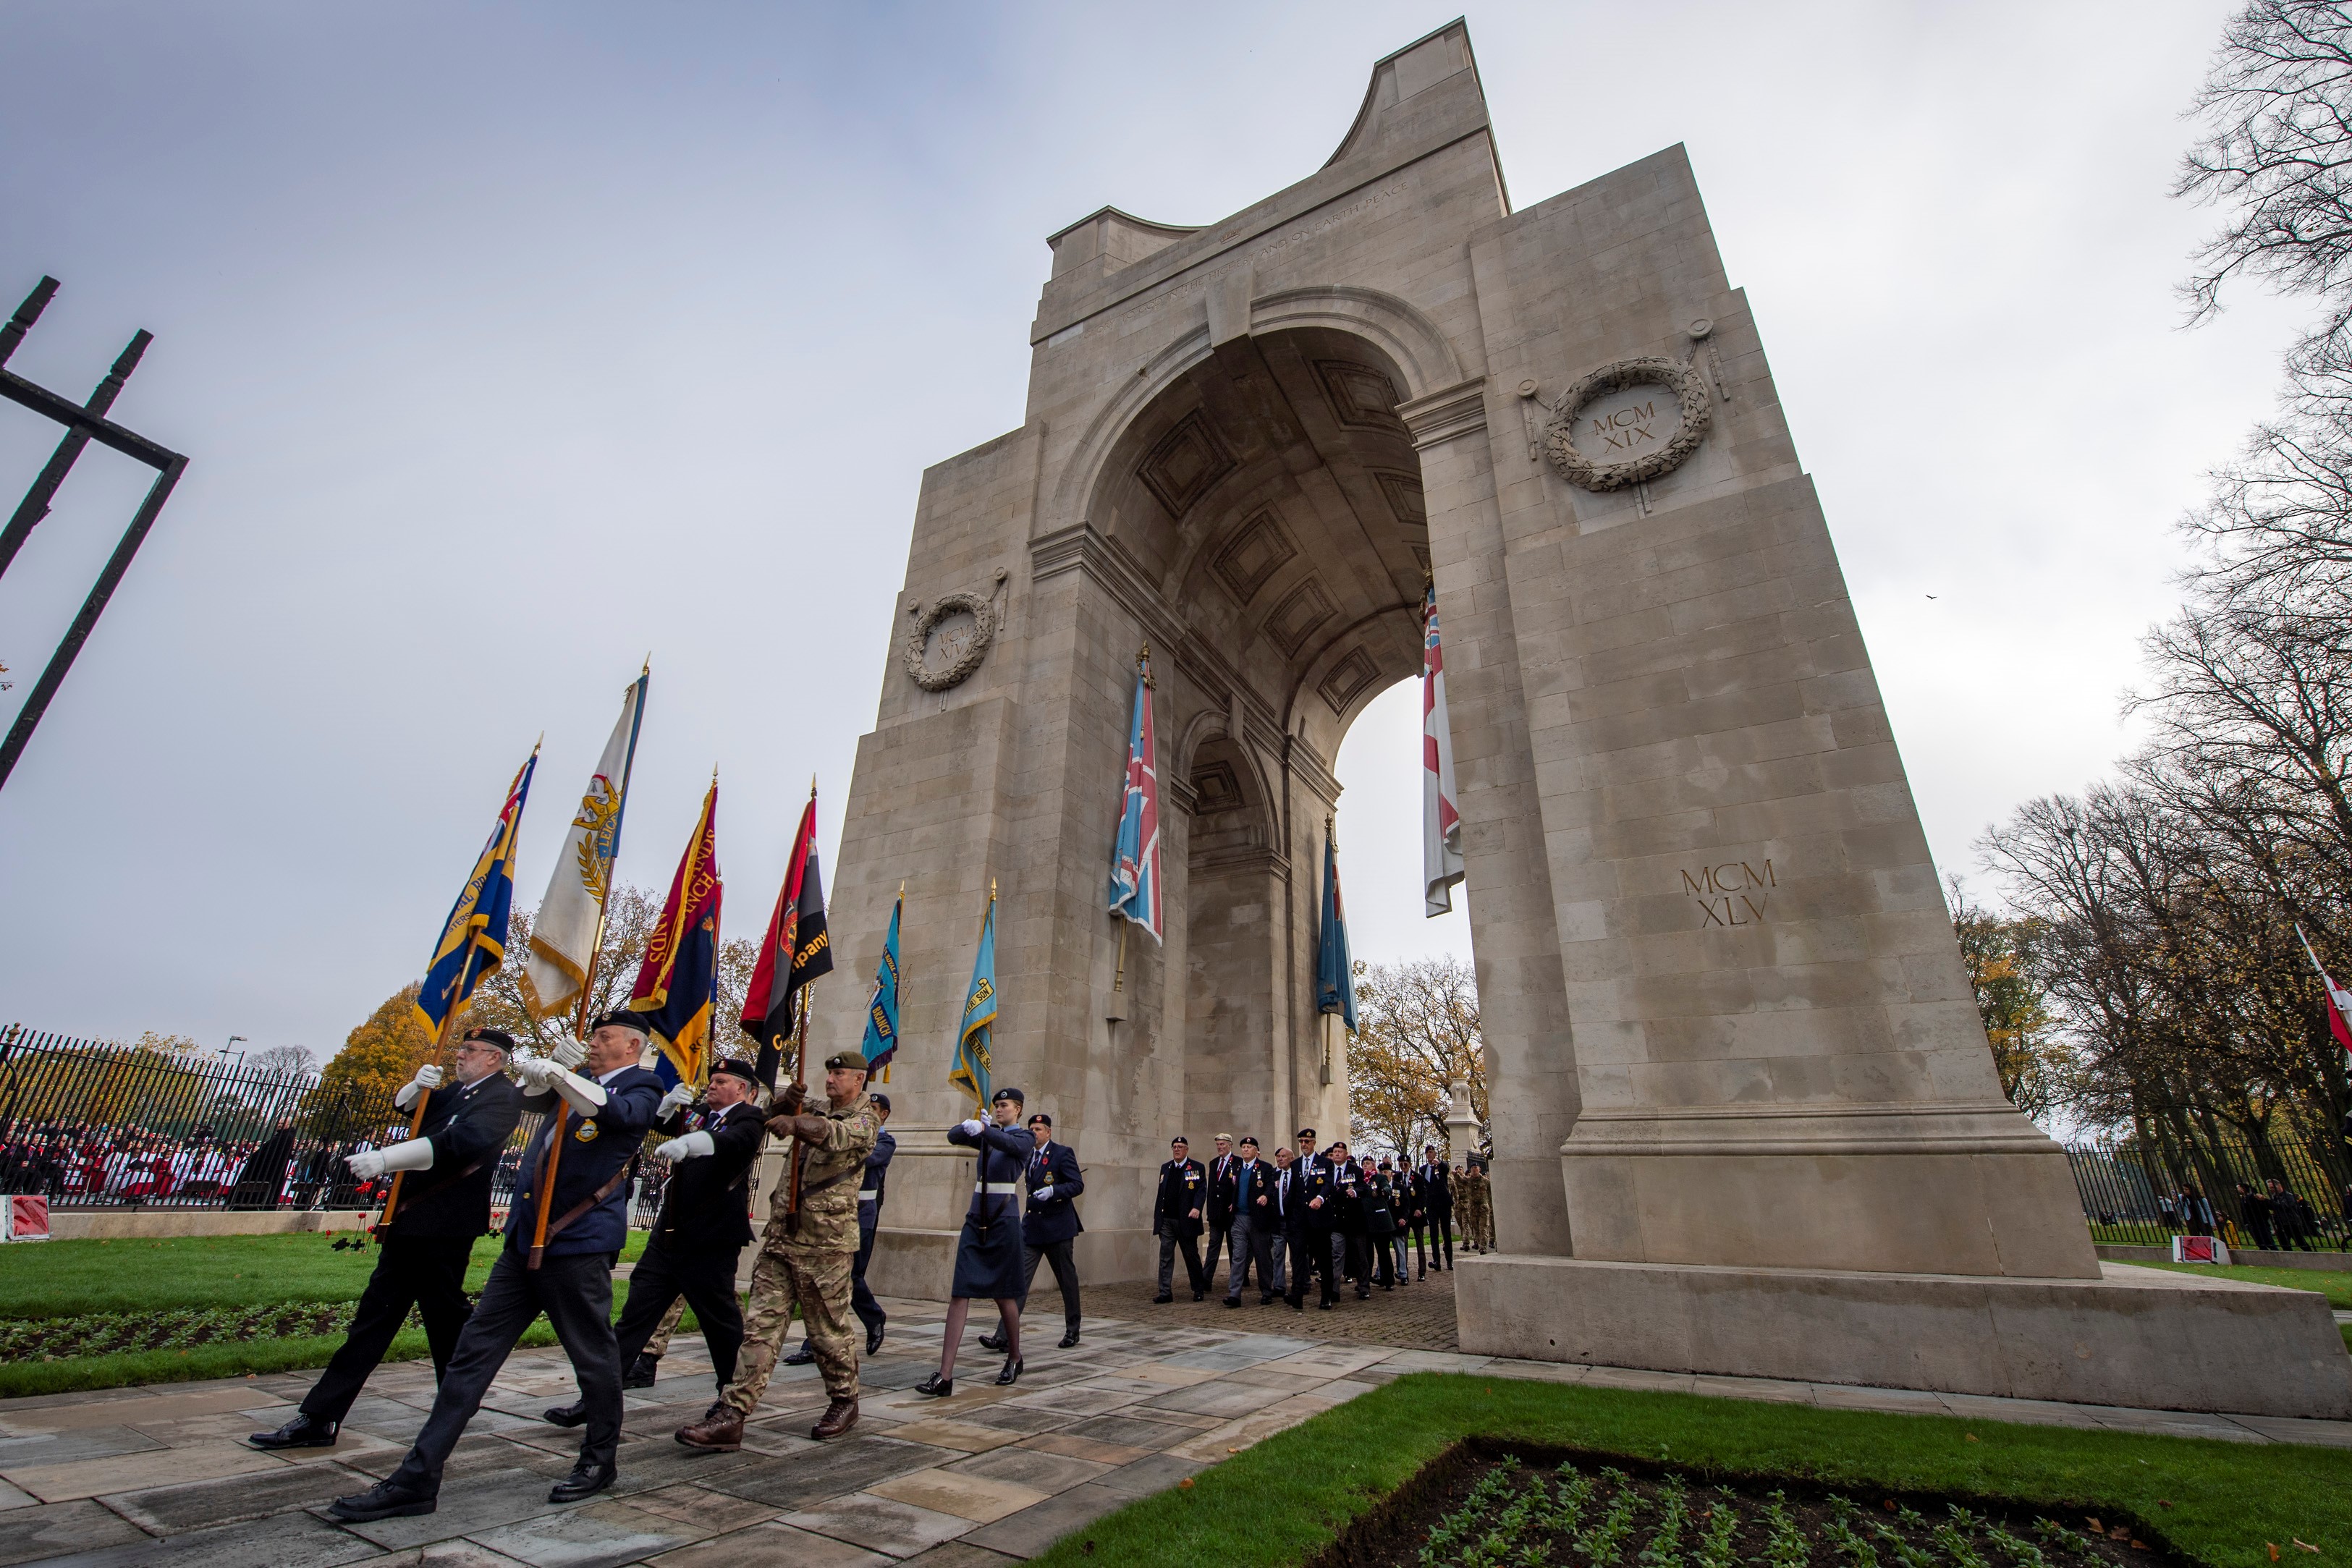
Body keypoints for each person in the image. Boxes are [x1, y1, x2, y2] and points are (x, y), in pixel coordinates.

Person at [326, 1012, 664, 1522]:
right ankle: (417, 1477)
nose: (593, 1044)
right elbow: (528, 1102)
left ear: (632, 1045)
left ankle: (600, 1458)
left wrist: (564, 1077)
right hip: (525, 1241)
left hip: (575, 1244)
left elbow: (615, 1114)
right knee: (470, 1358)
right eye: (594, 1036)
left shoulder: (645, 1084)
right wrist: (543, 1072)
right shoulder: (583, 1079)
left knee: (594, 1360)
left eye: (604, 1037)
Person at [250, 1028, 523, 1451]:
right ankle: (322, 1416)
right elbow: (408, 1111)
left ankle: (453, 1404)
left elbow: (457, 1143)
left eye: (469, 1050)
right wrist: (417, 1085)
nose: (460, 1055)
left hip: (445, 1225)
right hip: (412, 1220)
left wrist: (385, 1159)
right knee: (381, 1318)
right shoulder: (458, 1091)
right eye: (461, 1048)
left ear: (494, 1058)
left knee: (443, 1319)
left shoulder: (502, 1098)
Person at [542, 1055, 767, 1431]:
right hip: (669, 1236)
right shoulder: (699, 1113)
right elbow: (663, 1125)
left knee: (721, 1324)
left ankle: (730, 1399)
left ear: (743, 1090)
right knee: (633, 1320)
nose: (712, 1085)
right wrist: (666, 1108)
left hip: (709, 1241)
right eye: (711, 1079)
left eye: (722, 1081)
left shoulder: (749, 1118)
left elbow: (734, 1142)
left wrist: (694, 1142)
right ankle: (596, 1398)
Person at [679, 1050, 881, 1449]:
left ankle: (845, 1399)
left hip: (825, 1245)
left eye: (839, 1074)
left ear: (859, 1080)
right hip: (782, 1239)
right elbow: (774, 1114)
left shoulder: (866, 1119)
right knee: (759, 1329)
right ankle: (732, 1415)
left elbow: (833, 1135)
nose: (831, 1080)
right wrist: (786, 1103)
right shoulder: (819, 1106)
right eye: (830, 1072)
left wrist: (797, 1120)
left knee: (827, 1332)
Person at [918, 1085, 1033, 1397]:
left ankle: (1014, 1356)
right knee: (960, 1293)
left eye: (1005, 1105)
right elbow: (953, 1137)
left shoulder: (1024, 1138)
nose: (999, 1109)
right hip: (975, 1220)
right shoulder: (989, 1135)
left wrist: (986, 1130)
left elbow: (1010, 1144)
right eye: (996, 1105)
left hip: (1003, 1221)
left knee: (1005, 1295)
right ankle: (945, 1375)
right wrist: (971, 1126)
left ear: (1018, 1110)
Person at [790, 1090, 894, 1363]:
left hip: (862, 1214)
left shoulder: (886, 1141)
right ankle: (814, 1343)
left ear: (884, 1114)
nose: (866, 1112)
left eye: (873, 1109)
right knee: (823, 1278)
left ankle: (873, 1317)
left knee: (852, 1276)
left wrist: (842, 1137)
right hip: (832, 1213)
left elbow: (865, 1158)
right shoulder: (845, 1133)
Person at [1013, 1110, 1086, 1346]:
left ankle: (1072, 1330)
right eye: (1031, 1129)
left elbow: (1077, 1184)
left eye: (1039, 1130)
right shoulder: (1028, 1156)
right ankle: (1004, 1335)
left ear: (1049, 1132)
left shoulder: (1062, 1153)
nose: (1034, 1133)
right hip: (1033, 1229)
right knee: (1018, 1283)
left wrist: (1055, 1191)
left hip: (1058, 1229)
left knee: (1067, 1282)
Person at [1152, 1135, 1209, 1302]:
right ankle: (1165, 1292)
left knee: (1191, 1256)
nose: (1177, 1149)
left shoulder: (1196, 1167)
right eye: (1174, 1147)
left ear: (1186, 1149)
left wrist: (1197, 1207)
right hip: (1167, 1220)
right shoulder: (1166, 1168)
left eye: (1180, 1146)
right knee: (1165, 1256)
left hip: (1186, 1220)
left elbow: (1201, 1190)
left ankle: (1198, 1289)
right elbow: (1161, 1194)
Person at [1291, 1127, 1340, 1310]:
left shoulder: (1324, 1163)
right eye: (1301, 1142)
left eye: (1307, 1141)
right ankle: (1297, 1296)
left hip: (1319, 1219)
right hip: (1300, 1220)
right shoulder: (1295, 1165)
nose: (1304, 1145)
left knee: (1324, 1259)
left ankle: (1326, 1296)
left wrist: (1319, 1198)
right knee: (1297, 1258)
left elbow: (1328, 1184)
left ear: (1313, 1143)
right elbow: (1294, 1192)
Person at [1222, 1137, 1270, 1307]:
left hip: (1257, 1219)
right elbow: (1231, 1188)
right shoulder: (1236, 1167)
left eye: (1249, 1147)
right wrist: (1232, 1203)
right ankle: (1235, 1293)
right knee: (1238, 1257)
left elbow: (1270, 1186)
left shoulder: (1265, 1168)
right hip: (1239, 1218)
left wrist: (1266, 1196)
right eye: (1243, 1147)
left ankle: (1266, 1291)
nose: (1246, 1150)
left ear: (1256, 1150)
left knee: (1262, 1257)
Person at [1258, 1144, 1298, 1306]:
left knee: (1297, 1256)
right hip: (1277, 1222)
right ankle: (1279, 1285)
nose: (1280, 1159)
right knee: (1278, 1255)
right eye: (1278, 1157)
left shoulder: (1297, 1175)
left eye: (1283, 1156)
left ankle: (1300, 1284)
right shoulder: (1274, 1175)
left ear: (1291, 1159)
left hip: (1294, 1223)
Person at [232, 1116, 297, 1209]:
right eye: (279, 1123)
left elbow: (270, 1153)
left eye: (282, 1124)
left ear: (289, 1125)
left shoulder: (285, 1137)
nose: (279, 1125)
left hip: (268, 1170)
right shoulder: (282, 1136)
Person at [1204, 1133, 1239, 1299]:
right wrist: (1210, 1211)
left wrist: (1235, 1203)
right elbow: (1212, 1189)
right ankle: (1206, 1280)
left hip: (1231, 1214)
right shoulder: (1213, 1163)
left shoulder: (1237, 1163)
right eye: (1218, 1144)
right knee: (1213, 1247)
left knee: (1234, 1248)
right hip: (1216, 1214)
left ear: (1230, 1145)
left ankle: (1237, 1280)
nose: (1220, 1147)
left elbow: (1237, 1187)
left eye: (1223, 1144)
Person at [1413, 1143, 1452, 1276]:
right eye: (1427, 1152)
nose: (1429, 1154)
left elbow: (1446, 1169)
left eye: (1431, 1152)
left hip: (1444, 1203)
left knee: (1446, 1232)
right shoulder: (1424, 1169)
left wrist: (1439, 1163)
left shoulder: (1441, 1166)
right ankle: (1437, 1261)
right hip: (1431, 1205)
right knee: (1434, 1233)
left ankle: (1449, 1260)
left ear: (1435, 1153)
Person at [1379, 1157, 1412, 1285]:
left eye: (1386, 1172)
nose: (1383, 1175)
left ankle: (1403, 1274)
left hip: (1397, 1223)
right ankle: (1380, 1274)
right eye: (1381, 1173)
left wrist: (1404, 1218)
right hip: (1383, 1225)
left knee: (1400, 1250)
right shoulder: (1377, 1188)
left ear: (1391, 1173)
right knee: (1383, 1251)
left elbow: (1406, 1204)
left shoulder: (1399, 1187)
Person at [2235, 1181, 2275, 1251]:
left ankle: (2276, 1252)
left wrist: (2263, 1219)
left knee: (2268, 1241)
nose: (2237, 1190)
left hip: (2260, 1222)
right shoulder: (2243, 1199)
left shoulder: (2253, 1197)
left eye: (2238, 1188)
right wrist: (2246, 1223)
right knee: (2259, 1242)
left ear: (2243, 1189)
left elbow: (2263, 1208)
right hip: (2251, 1224)